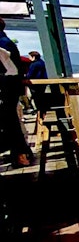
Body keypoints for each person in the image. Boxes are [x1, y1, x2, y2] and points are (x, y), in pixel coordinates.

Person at [0, 18, 31, 167]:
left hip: (5, 87)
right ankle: (20, 154)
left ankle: (21, 154)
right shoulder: (5, 41)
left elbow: (10, 69)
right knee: (10, 122)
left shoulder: (3, 43)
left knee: (9, 122)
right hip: (9, 87)